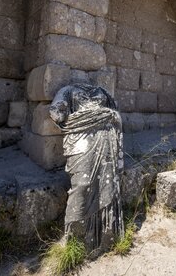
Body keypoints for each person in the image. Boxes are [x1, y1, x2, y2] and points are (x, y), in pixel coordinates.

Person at [49, 83, 124, 254]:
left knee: (107, 186)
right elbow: (56, 113)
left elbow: (115, 110)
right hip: (81, 139)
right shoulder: (68, 90)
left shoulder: (102, 90)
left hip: (105, 139)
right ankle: (75, 239)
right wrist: (86, 116)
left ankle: (105, 235)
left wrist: (109, 115)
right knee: (82, 185)